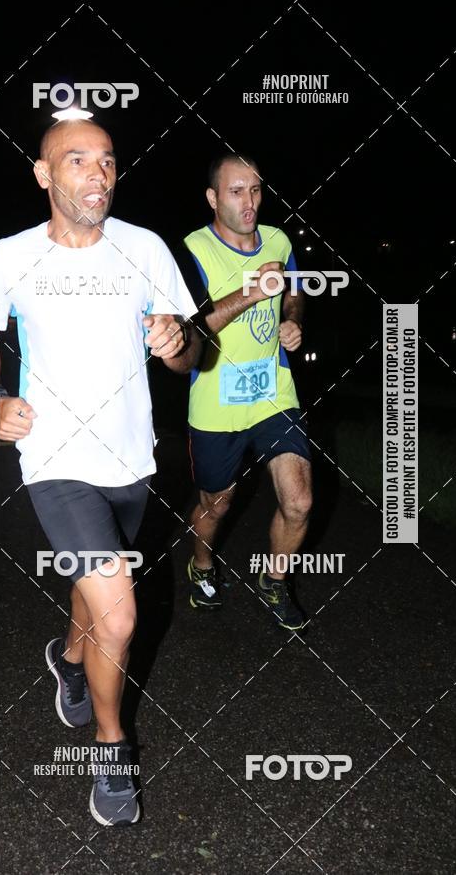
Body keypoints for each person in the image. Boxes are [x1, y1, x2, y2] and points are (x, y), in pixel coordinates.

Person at [0, 119, 199, 826]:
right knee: (120, 612)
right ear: (45, 175)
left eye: (106, 161)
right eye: (77, 160)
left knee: (95, 596)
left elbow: (191, 354)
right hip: (55, 459)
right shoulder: (10, 257)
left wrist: (177, 342)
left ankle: (70, 660)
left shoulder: (146, 249)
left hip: (131, 460)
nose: (97, 174)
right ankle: (111, 748)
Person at [181, 153, 312, 630]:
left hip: (274, 391)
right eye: (236, 191)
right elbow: (189, 329)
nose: (249, 201)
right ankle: (201, 568)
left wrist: (292, 321)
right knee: (218, 503)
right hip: (216, 403)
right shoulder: (192, 249)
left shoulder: (278, 239)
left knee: (299, 500)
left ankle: (274, 580)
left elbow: (293, 290)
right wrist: (252, 293)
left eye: (254, 190)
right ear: (214, 198)